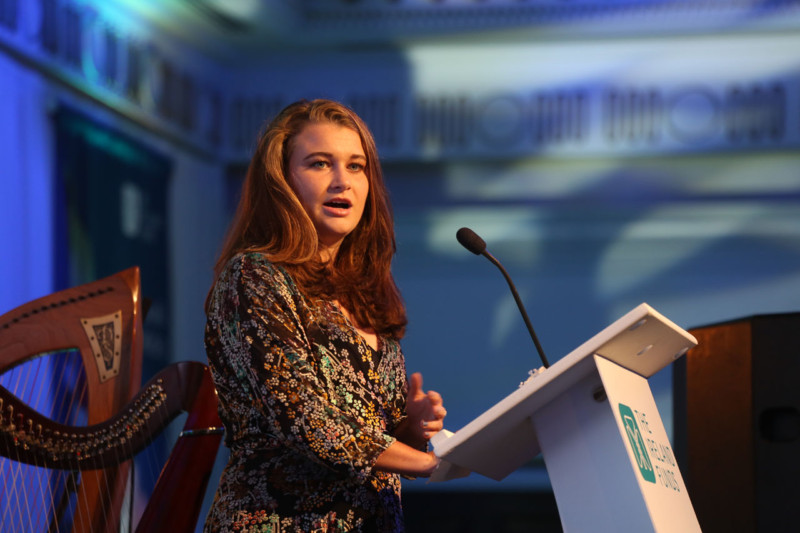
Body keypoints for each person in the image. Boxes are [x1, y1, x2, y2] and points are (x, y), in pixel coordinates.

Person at [203, 99, 447, 532]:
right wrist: (428, 462)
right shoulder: (254, 277)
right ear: (281, 180)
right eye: (319, 164)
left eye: (356, 166)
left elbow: (373, 437)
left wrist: (411, 427)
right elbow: (303, 419)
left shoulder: (363, 293)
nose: (342, 181)